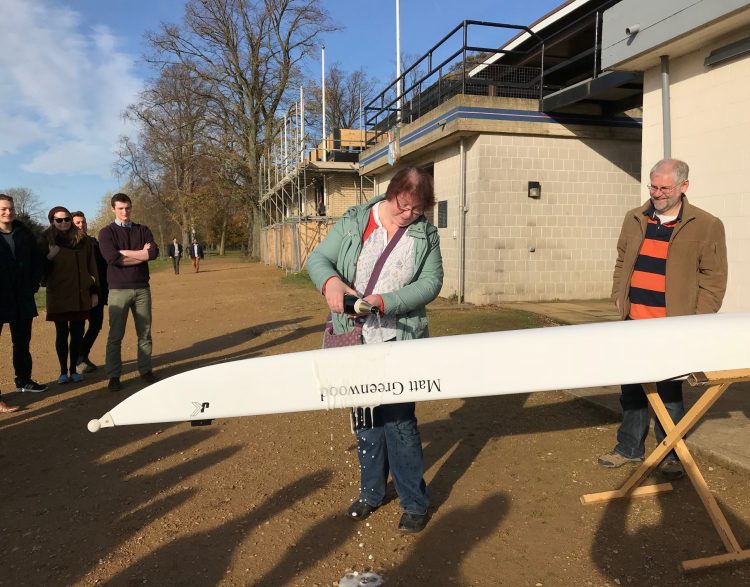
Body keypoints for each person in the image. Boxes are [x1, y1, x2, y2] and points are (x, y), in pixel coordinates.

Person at [307, 167, 443, 533]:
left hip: (400, 338)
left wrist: (388, 300)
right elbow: (318, 260)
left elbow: (432, 282)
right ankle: (371, 492)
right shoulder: (354, 221)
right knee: (366, 420)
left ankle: (414, 500)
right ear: (391, 192)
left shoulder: (424, 234)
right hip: (354, 338)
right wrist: (331, 282)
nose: (409, 215)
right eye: (404, 206)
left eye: (417, 209)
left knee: (400, 423)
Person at [598, 158, 728, 480]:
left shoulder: (707, 225)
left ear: (684, 187)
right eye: (653, 186)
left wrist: (697, 320)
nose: (657, 193)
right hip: (634, 321)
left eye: (664, 188)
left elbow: (714, 279)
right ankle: (629, 448)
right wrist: (619, 295)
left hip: (673, 327)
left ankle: (670, 455)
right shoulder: (635, 218)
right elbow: (621, 261)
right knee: (631, 390)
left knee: (669, 394)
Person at [98, 193, 159, 392]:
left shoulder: (143, 229)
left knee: (145, 332)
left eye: (128, 208)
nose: (125, 212)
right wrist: (141, 255)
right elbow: (113, 259)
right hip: (118, 290)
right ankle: (114, 375)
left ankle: (146, 370)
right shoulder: (106, 233)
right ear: (113, 209)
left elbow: (153, 253)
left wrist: (126, 252)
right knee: (116, 335)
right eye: (121, 208)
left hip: (142, 288)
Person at [39, 206, 99, 385]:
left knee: (77, 333)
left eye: (66, 219)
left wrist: (94, 291)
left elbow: (92, 266)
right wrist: (49, 256)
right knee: (62, 333)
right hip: (58, 294)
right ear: (52, 221)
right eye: (59, 220)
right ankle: (62, 372)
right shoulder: (45, 240)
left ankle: (74, 370)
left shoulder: (83, 239)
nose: (64, 223)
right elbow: (40, 272)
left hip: (80, 294)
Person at [0, 193, 46, 411]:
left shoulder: (24, 233)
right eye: (3, 209)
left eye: (10, 208)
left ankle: (24, 380)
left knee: (22, 342)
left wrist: (33, 285)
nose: (8, 212)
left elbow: (37, 262)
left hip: (22, 298)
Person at [72, 211, 109, 373]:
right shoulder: (69, 245)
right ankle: (75, 363)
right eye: (78, 223)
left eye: (83, 222)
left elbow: (101, 268)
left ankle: (82, 355)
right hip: (78, 294)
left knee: (96, 325)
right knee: (77, 328)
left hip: (98, 292)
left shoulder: (94, 242)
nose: (81, 225)